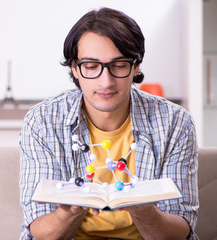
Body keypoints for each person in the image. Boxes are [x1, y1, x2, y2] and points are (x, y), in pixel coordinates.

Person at [19, 7, 198, 240]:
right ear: (75, 68)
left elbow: (179, 231)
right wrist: (71, 211)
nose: (106, 81)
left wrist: (143, 210)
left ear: (136, 66)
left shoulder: (175, 123)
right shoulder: (42, 121)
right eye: (91, 66)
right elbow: (42, 233)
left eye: (119, 65)